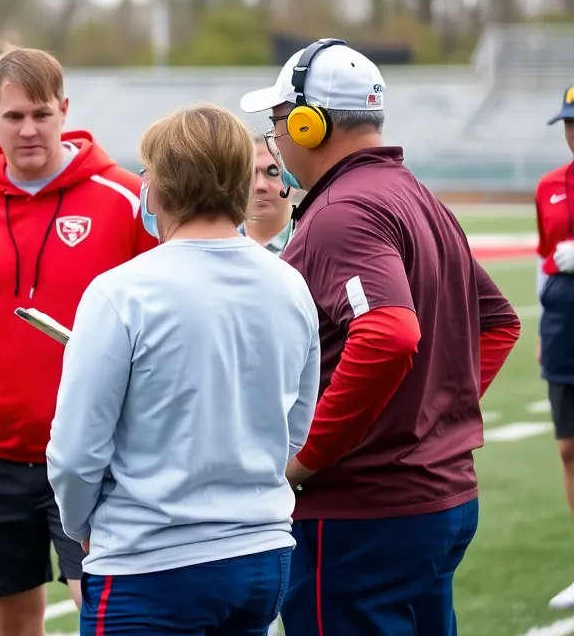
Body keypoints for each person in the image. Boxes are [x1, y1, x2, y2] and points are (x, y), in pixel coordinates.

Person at [238, 38, 522, 636]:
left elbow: (389, 334)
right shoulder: (416, 197)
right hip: (435, 497)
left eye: (279, 121)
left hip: (362, 512)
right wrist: (431, 414)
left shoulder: (346, 210)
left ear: (311, 124)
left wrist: (307, 456)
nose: (276, 137)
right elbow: (497, 323)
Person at [45, 102, 321, 635]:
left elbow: (77, 449)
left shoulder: (123, 291)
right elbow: (296, 427)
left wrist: (80, 522)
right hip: (261, 550)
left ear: (160, 187)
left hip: (151, 560)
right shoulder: (290, 284)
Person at [0, 45, 156, 634]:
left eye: (41, 114)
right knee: (15, 620)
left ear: (64, 111)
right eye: (14, 116)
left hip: (97, 449)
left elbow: (165, 302)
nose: (29, 129)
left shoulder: (124, 199)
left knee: (104, 610)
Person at [535, 82, 574, 610]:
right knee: (569, 449)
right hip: (563, 326)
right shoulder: (549, 186)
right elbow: (546, 259)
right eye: (568, 121)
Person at [238, 127, 295, 254]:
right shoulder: (217, 242)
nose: (260, 186)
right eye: (249, 174)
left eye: (273, 173)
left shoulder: (315, 241)